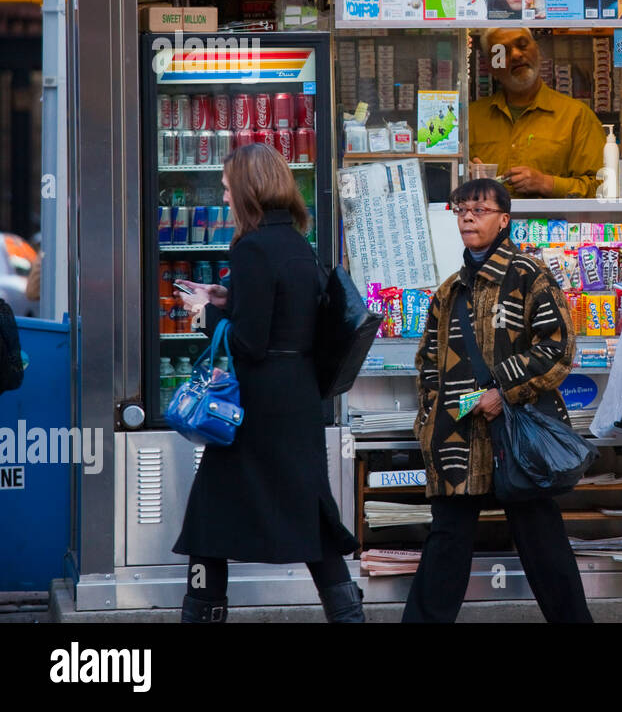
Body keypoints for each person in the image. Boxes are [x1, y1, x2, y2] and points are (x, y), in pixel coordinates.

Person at [172, 144, 362, 623]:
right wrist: (227, 295)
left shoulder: (251, 247)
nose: (224, 192)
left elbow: (250, 342)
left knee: (209, 520)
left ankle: (203, 614)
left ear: (248, 189)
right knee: (312, 517)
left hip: (257, 406)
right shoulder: (298, 243)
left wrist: (206, 312)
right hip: (295, 398)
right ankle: (348, 615)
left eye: (227, 184)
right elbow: (283, 314)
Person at [403, 178, 592, 623]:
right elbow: (429, 362)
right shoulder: (449, 290)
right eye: (461, 209)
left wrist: (503, 393)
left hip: (518, 437)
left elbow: (558, 349)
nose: (468, 216)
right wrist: (430, 422)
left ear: (504, 220)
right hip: (457, 439)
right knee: (446, 543)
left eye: (480, 209)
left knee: (543, 544)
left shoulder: (529, 275)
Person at [468, 28, 605, 198]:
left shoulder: (576, 116)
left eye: (523, 45)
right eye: (501, 51)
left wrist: (547, 183)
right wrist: (463, 179)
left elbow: (603, 187)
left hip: (553, 224)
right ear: (491, 67)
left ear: (538, 51)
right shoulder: (471, 118)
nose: (516, 55)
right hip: (485, 224)